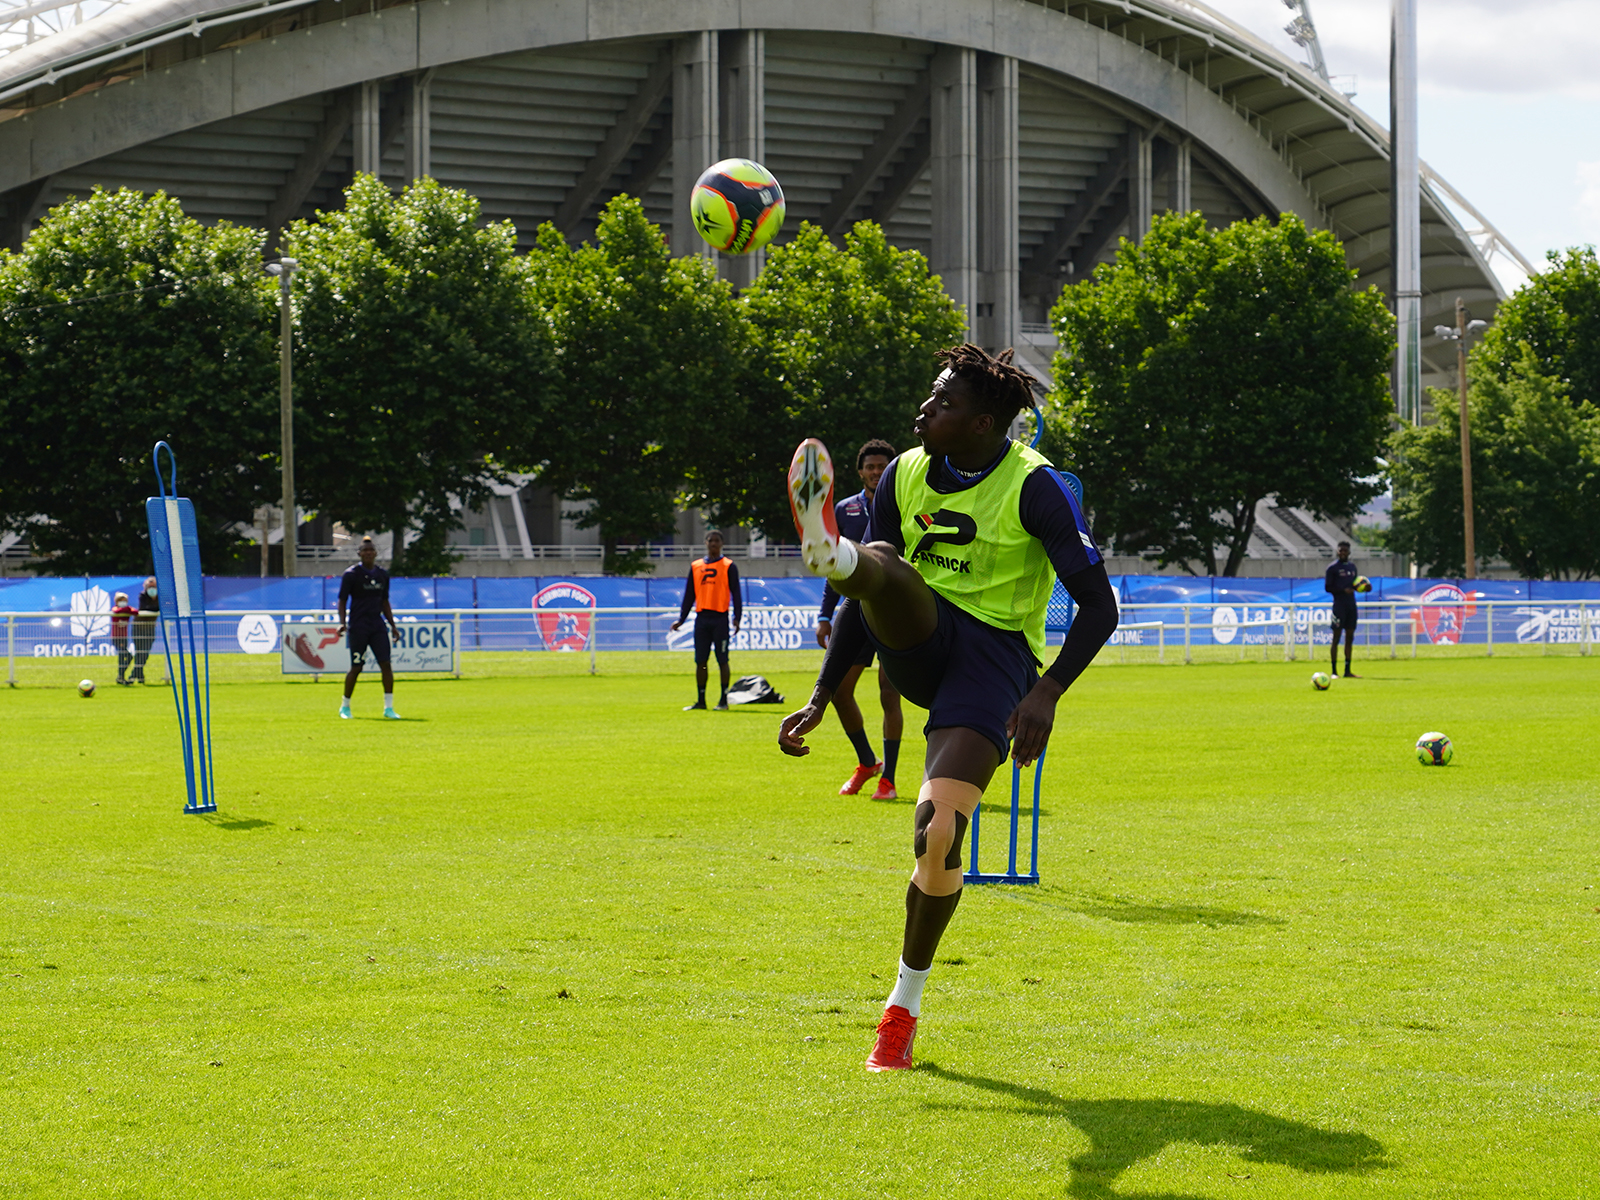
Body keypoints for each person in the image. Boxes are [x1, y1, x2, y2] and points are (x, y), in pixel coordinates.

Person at [779, 343, 1120, 1071]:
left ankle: (901, 1009)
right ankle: (832, 555)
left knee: (935, 836)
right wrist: (819, 694)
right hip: (919, 633)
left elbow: (1099, 605)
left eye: (944, 403)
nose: (925, 410)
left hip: (993, 664)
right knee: (884, 572)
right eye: (931, 398)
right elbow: (866, 601)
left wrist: (1048, 689)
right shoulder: (902, 472)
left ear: (985, 423)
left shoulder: (1038, 487)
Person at [817, 439, 905, 799]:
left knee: (890, 693)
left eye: (882, 466)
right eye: (870, 467)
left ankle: (890, 779)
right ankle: (868, 762)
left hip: (894, 611)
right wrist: (825, 614)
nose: (876, 471)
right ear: (860, 472)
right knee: (837, 690)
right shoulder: (845, 509)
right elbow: (835, 564)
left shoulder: (903, 503)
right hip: (855, 609)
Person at [672, 530, 743, 711]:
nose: (713, 543)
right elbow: (689, 595)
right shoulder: (696, 566)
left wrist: (737, 618)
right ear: (705, 543)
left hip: (720, 619)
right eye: (710, 540)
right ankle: (701, 700)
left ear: (722, 544)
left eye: (717, 540)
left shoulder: (729, 566)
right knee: (701, 661)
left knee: (722, 660)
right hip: (702, 619)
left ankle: (723, 700)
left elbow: (736, 594)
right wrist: (681, 619)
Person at [338, 537, 401, 719]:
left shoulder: (382, 574)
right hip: (358, 626)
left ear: (375, 553)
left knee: (386, 665)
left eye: (371, 550)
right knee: (357, 667)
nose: (368, 553)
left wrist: (393, 626)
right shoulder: (351, 574)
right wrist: (342, 622)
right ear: (359, 554)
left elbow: (384, 601)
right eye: (364, 551)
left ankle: (388, 708)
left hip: (377, 625)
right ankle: (345, 706)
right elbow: (342, 600)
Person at [1325, 540, 1359, 678]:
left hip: (1351, 605)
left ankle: (1347, 670)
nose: (1343, 553)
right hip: (1339, 606)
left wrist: (1364, 588)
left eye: (1345, 550)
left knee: (1350, 637)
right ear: (1337, 552)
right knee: (1336, 637)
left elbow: (1356, 585)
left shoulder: (1352, 567)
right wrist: (1343, 591)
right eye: (1341, 550)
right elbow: (1328, 587)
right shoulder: (1332, 568)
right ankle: (1334, 671)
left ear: (1349, 552)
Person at [129, 576, 159, 683]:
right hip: (138, 627)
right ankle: (136, 676)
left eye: (154, 586)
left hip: (150, 627)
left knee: (145, 652)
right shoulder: (142, 596)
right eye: (149, 586)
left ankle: (135, 674)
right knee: (140, 651)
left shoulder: (161, 597)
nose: (152, 589)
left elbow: (166, 605)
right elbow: (146, 607)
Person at [110, 591, 138, 685]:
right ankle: (120, 676)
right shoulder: (116, 609)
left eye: (125, 601)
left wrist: (127, 609)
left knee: (123, 657)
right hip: (116, 637)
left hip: (124, 637)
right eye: (121, 600)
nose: (123, 602)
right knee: (127, 656)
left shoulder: (127, 609)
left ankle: (121, 677)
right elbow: (116, 611)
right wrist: (127, 609)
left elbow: (136, 612)